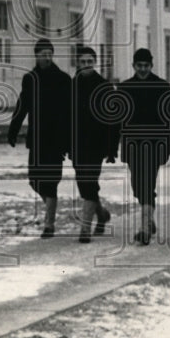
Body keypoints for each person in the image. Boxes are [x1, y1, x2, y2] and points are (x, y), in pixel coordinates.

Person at [8, 38, 71, 238]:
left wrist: (69, 140)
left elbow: (70, 112)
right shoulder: (30, 79)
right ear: (36, 55)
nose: (46, 57)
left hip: (56, 139)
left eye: (49, 53)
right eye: (43, 53)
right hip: (36, 138)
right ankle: (54, 210)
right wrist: (13, 130)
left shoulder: (63, 79)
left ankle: (49, 224)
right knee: (35, 181)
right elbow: (22, 105)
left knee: (51, 182)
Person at [113, 48, 170, 245]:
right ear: (133, 66)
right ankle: (149, 219)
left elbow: (169, 118)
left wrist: (168, 145)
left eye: (146, 66)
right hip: (132, 144)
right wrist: (114, 146)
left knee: (147, 184)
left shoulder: (162, 87)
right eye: (139, 66)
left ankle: (145, 228)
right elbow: (118, 120)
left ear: (151, 66)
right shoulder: (124, 88)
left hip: (154, 145)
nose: (143, 69)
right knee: (138, 186)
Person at [70, 46, 116, 243]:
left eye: (90, 61)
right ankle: (102, 214)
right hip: (77, 145)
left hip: (97, 145)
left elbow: (113, 120)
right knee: (84, 185)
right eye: (83, 62)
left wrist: (112, 148)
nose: (87, 65)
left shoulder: (104, 86)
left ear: (94, 63)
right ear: (78, 63)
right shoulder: (72, 85)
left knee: (89, 181)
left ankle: (85, 228)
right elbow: (66, 119)